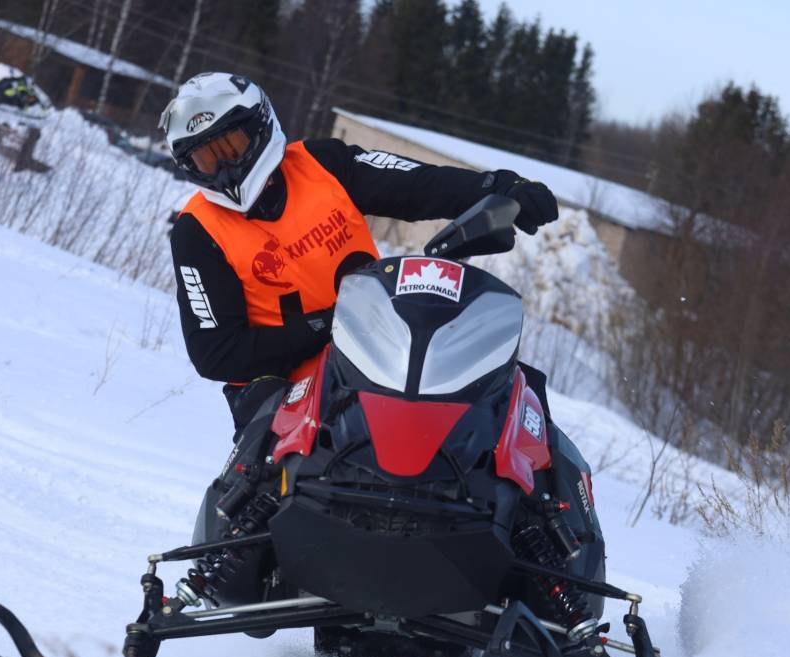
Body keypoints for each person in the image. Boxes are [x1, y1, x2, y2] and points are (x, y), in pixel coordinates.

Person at [161, 72, 559, 431]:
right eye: (206, 159)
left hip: (384, 349)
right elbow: (216, 353)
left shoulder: (322, 164)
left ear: (259, 126)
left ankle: (551, 504)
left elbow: (417, 185)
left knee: (510, 399)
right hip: (284, 382)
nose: (225, 169)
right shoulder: (198, 232)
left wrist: (499, 188)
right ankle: (241, 513)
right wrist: (326, 327)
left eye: (231, 147)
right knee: (268, 459)